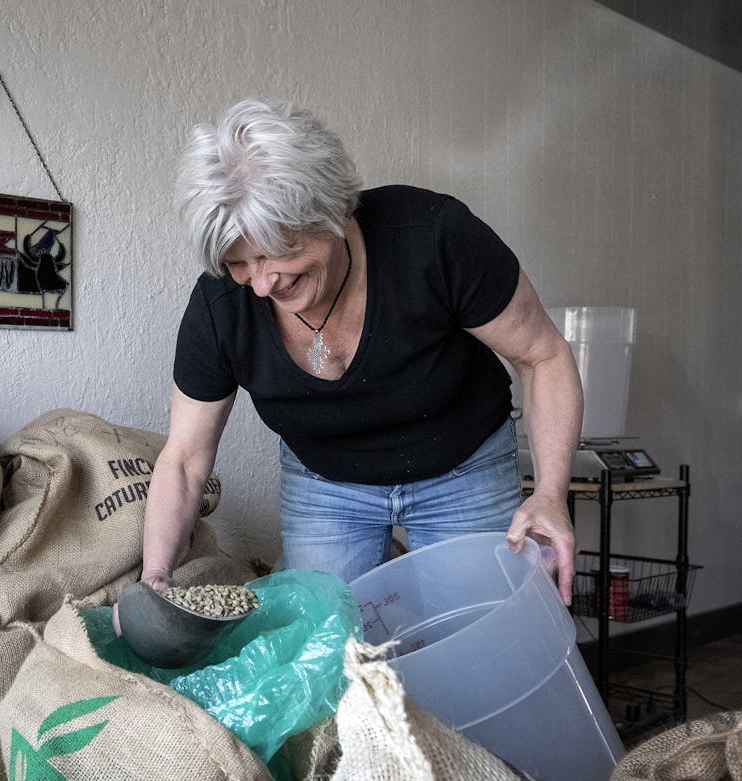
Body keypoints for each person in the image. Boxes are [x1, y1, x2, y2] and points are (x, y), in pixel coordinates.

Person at [141, 98, 582, 602]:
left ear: (330, 210)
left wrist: (550, 494)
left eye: (275, 253)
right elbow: (185, 459)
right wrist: (155, 577)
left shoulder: (433, 238)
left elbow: (543, 356)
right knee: (330, 646)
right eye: (240, 263)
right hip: (326, 485)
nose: (261, 284)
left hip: (463, 467)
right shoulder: (221, 305)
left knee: (479, 638)